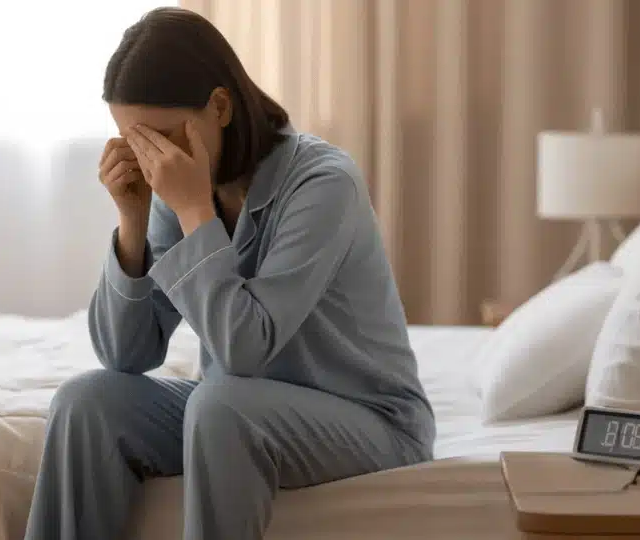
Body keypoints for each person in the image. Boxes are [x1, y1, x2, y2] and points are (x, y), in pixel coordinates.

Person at [23, 6, 435, 540]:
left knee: (220, 406)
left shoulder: (324, 184)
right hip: (239, 413)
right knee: (86, 402)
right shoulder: (178, 187)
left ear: (219, 106)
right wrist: (132, 221)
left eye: (162, 137)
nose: (151, 160)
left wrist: (195, 211)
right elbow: (126, 355)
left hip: (369, 421)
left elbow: (245, 350)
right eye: (134, 140)